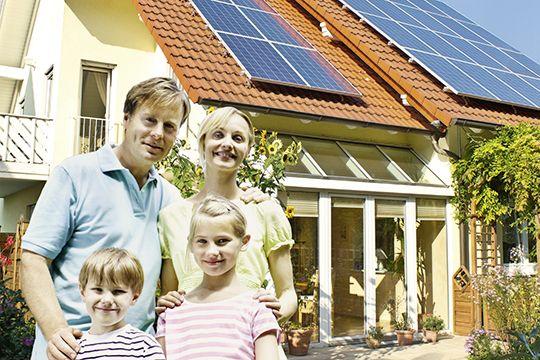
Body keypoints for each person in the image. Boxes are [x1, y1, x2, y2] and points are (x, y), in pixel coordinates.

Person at [20, 77, 190, 360]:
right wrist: (56, 331)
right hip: (72, 350)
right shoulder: (75, 175)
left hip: (136, 351)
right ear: (126, 119)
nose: (158, 133)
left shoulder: (170, 198)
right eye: (149, 120)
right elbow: (33, 258)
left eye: (169, 126)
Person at [157, 107, 297, 330]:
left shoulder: (263, 210)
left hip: (251, 341)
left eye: (238, 138)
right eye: (218, 135)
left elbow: (288, 293)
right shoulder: (171, 217)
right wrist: (166, 303)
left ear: (248, 149)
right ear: (203, 143)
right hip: (194, 341)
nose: (228, 144)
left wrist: (270, 316)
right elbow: (171, 294)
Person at [156, 196, 279, 359]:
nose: (212, 252)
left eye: (222, 241)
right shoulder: (172, 312)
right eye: (202, 241)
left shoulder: (257, 308)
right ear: (191, 244)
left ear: (244, 241)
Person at [76, 248, 164, 359]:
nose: (107, 300)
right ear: (83, 292)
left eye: (118, 291)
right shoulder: (73, 348)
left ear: (134, 297)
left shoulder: (145, 345)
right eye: (98, 289)